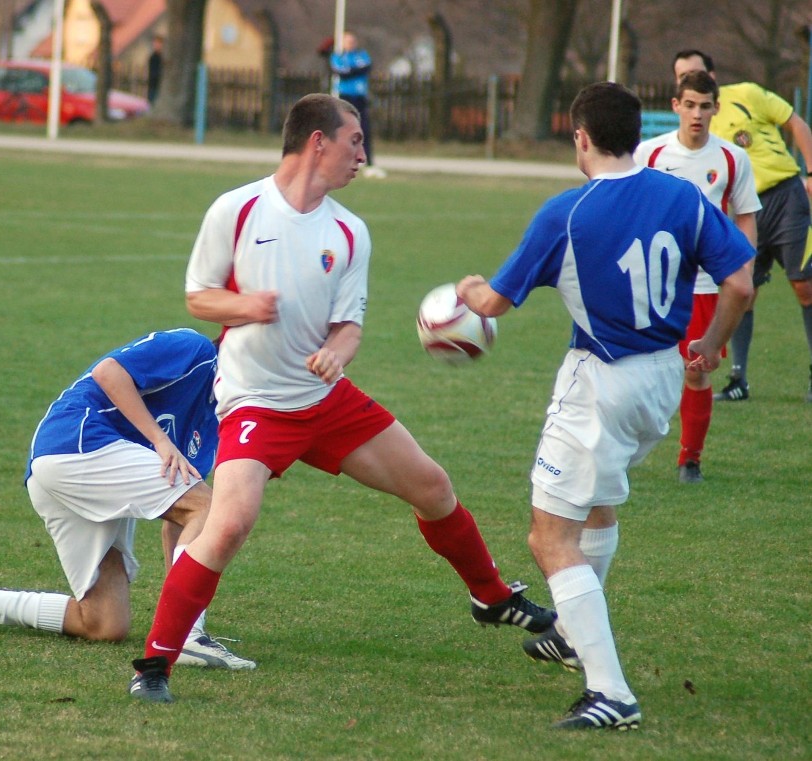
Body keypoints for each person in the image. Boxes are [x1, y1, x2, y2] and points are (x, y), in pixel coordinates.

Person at [127, 93, 555, 703]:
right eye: (356, 140)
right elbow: (198, 296)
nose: (364, 154)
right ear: (317, 142)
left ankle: (490, 596)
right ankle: (154, 666)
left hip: (325, 400)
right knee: (227, 525)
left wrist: (338, 353)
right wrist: (245, 305)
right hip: (254, 402)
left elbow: (348, 325)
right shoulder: (238, 209)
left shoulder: (350, 232)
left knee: (432, 486)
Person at [457, 82, 754, 730]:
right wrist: (710, 341)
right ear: (635, 134)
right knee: (595, 503)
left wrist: (468, 291)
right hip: (663, 377)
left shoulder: (567, 212)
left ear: (581, 139)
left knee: (548, 536)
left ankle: (611, 691)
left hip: (600, 380)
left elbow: (494, 306)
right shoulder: (682, 195)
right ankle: (570, 630)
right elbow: (739, 279)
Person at [0, 328, 255, 671]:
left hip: (59, 470)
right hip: (78, 442)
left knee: (104, 623)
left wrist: (179, 605)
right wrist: (160, 441)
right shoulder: (196, 349)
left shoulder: (221, 417)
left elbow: (184, 519)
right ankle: (188, 639)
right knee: (213, 508)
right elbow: (109, 372)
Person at [634, 71, 761, 483]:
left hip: (706, 284)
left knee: (696, 368)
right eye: (689, 104)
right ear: (675, 106)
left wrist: (744, 266)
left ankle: (690, 459)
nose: (697, 114)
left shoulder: (731, 159)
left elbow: (744, 216)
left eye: (705, 106)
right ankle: (625, 450)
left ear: (715, 109)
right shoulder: (648, 155)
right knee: (639, 368)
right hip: (656, 282)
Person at [673, 50, 812, 403]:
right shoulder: (694, 129)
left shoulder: (747, 95)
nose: (692, 82)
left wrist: (811, 172)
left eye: (696, 73)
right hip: (745, 212)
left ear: (713, 76)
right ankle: (738, 379)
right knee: (741, 292)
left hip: (785, 196)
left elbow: (796, 122)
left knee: (804, 285)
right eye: (682, 76)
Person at [329, 31, 386, 179]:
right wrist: (354, 71)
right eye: (347, 41)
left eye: (352, 41)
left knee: (364, 129)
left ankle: (369, 163)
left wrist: (351, 70)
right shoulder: (338, 57)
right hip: (345, 97)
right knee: (343, 129)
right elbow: (341, 73)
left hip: (360, 97)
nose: (351, 44)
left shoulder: (362, 55)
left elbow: (366, 68)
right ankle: (339, 160)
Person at [147, 35, 164, 104]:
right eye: (155, 44)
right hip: (153, 85)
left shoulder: (162, 57)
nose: (156, 45)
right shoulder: (153, 57)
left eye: (158, 44)